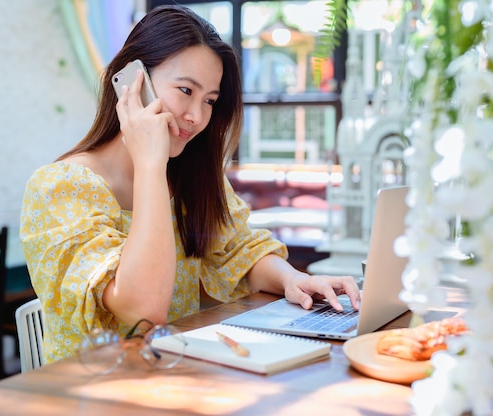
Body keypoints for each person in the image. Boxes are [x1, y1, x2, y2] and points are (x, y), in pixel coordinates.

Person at [20, 5, 360, 364]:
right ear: (134, 84)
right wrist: (150, 163)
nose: (197, 117)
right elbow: (143, 309)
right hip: (91, 396)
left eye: (209, 101)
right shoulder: (59, 188)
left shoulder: (187, 176)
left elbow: (238, 251)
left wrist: (292, 279)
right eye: (185, 90)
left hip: (176, 381)